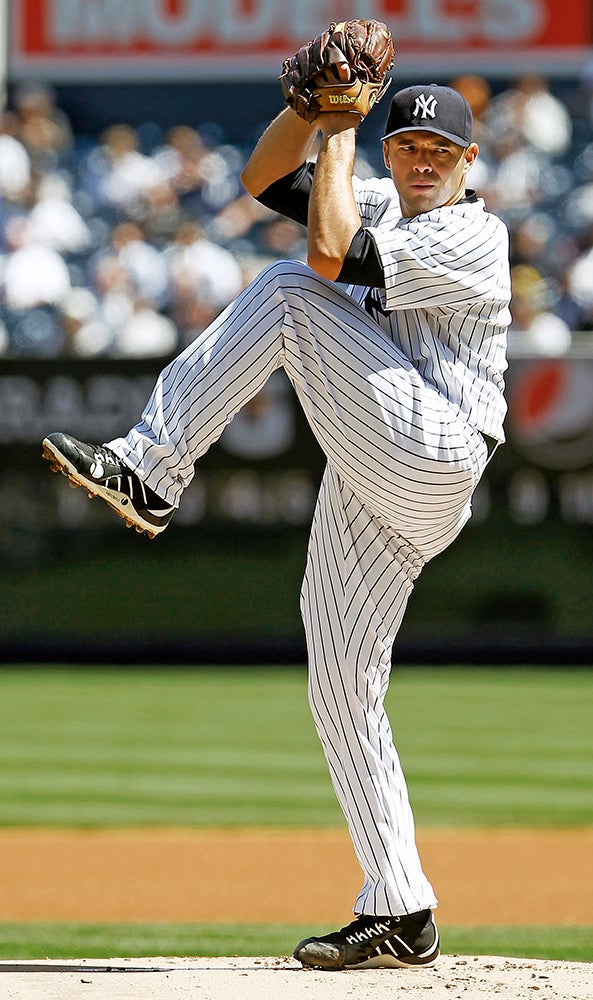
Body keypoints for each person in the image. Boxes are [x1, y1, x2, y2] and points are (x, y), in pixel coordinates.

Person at [42, 80, 511, 970]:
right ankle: (401, 904)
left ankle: (151, 466)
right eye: (407, 145)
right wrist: (305, 107)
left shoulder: (470, 234)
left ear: (467, 164)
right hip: (375, 466)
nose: (420, 162)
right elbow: (265, 179)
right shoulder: (375, 193)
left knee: (293, 290)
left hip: (438, 449)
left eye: (439, 152)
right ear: (390, 152)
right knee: (339, 681)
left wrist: (339, 124)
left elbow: (330, 255)